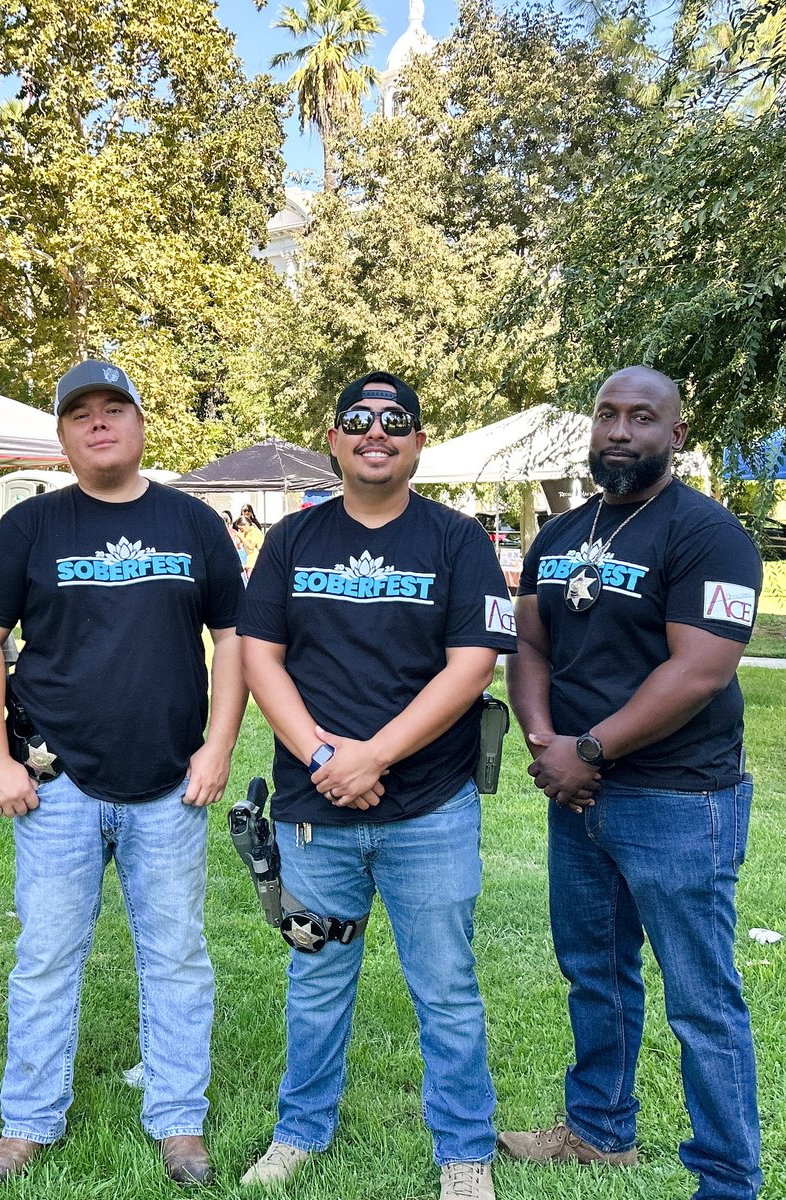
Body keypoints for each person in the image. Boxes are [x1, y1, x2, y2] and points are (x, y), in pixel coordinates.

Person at [0, 359, 247, 1194]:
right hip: (56, 785)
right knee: (46, 957)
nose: (97, 422)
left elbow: (234, 639)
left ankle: (179, 1120)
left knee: (177, 957)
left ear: (140, 423)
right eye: (79, 412)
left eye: (113, 407)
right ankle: (28, 1123)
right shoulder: (29, 526)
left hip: (170, 782)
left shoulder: (193, 522)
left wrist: (219, 747)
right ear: (62, 434)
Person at [237, 371, 518, 1200]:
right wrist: (326, 758)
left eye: (396, 421)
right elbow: (259, 658)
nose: (376, 432)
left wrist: (374, 758)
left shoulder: (459, 540)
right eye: (358, 418)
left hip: (430, 809)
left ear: (419, 442)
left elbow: (473, 666)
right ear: (333, 439)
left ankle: (463, 1152)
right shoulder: (292, 539)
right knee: (317, 978)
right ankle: (299, 1132)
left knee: (447, 987)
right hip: (314, 812)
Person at [502, 366, 763, 1200]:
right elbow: (530, 644)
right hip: (580, 794)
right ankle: (599, 1132)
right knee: (595, 971)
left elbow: (700, 671)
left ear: (675, 434)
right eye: (607, 414)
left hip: (680, 796)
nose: (620, 430)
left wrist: (589, 749)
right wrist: (546, 745)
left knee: (700, 998)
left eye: (642, 417)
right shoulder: (559, 534)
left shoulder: (710, 534)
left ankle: (727, 1179)